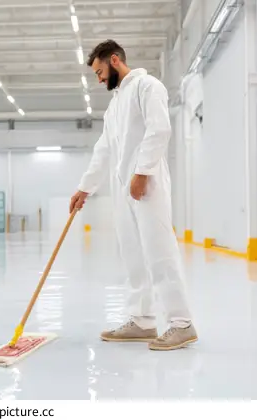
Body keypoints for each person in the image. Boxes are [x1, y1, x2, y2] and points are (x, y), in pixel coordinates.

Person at [69, 39, 197, 351]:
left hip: (147, 184)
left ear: (115, 60)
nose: (99, 79)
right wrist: (85, 186)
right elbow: (104, 150)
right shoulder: (114, 106)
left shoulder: (147, 86)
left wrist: (142, 172)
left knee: (159, 251)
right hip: (123, 189)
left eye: (100, 71)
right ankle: (143, 320)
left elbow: (159, 130)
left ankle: (182, 323)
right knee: (133, 255)